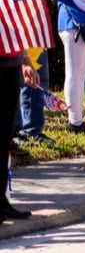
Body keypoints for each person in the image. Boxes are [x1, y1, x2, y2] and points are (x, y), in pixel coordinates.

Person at [0, 49, 37, 222]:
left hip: (10, 61)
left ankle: (1, 200)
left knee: (4, 135)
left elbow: (15, 26)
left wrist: (25, 60)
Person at [58, 5, 85, 135]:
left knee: (80, 75)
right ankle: (74, 122)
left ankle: (77, 119)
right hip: (72, 21)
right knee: (74, 75)